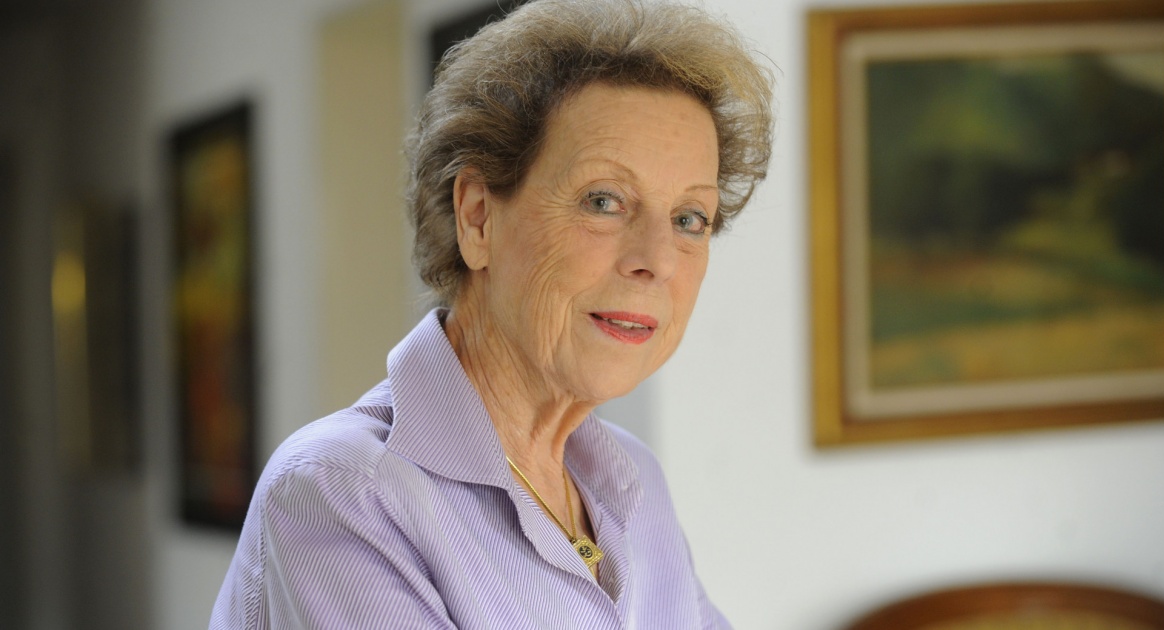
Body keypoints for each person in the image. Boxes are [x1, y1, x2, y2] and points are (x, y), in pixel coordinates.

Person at [210, 0, 772, 627]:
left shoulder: (631, 479)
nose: (658, 260)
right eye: (604, 201)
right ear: (478, 217)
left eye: (689, 218)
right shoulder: (344, 491)